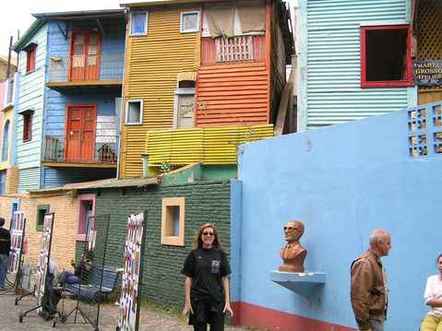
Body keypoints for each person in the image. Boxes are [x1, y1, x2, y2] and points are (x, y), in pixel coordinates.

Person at [182, 223, 234, 331]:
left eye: (211, 233)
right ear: (201, 236)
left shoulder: (220, 254)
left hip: (217, 301)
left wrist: (227, 302)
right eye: (205, 233)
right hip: (199, 301)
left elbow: (225, 278)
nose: (208, 235)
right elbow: (188, 279)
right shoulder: (194, 254)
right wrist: (187, 302)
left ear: (214, 237)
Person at [351, 229, 391, 331]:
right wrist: (365, 326)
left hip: (376, 318)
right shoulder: (365, 263)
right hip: (370, 320)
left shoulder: (375, 261)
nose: (390, 247)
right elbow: (358, 297)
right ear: (379, 243)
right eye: (388, 243)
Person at [420, 254, 442, 331]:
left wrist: (435, 301)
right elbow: (428, 301)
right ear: (437, 264)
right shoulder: (431, 279)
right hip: (433, 315)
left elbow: (432, 301)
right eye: (440, 263)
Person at [0, 217, 11, 288]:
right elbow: (9, 244)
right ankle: (1, 285)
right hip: (4, 253)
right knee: (3, 269)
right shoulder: (7, 232)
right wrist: (8, 253)